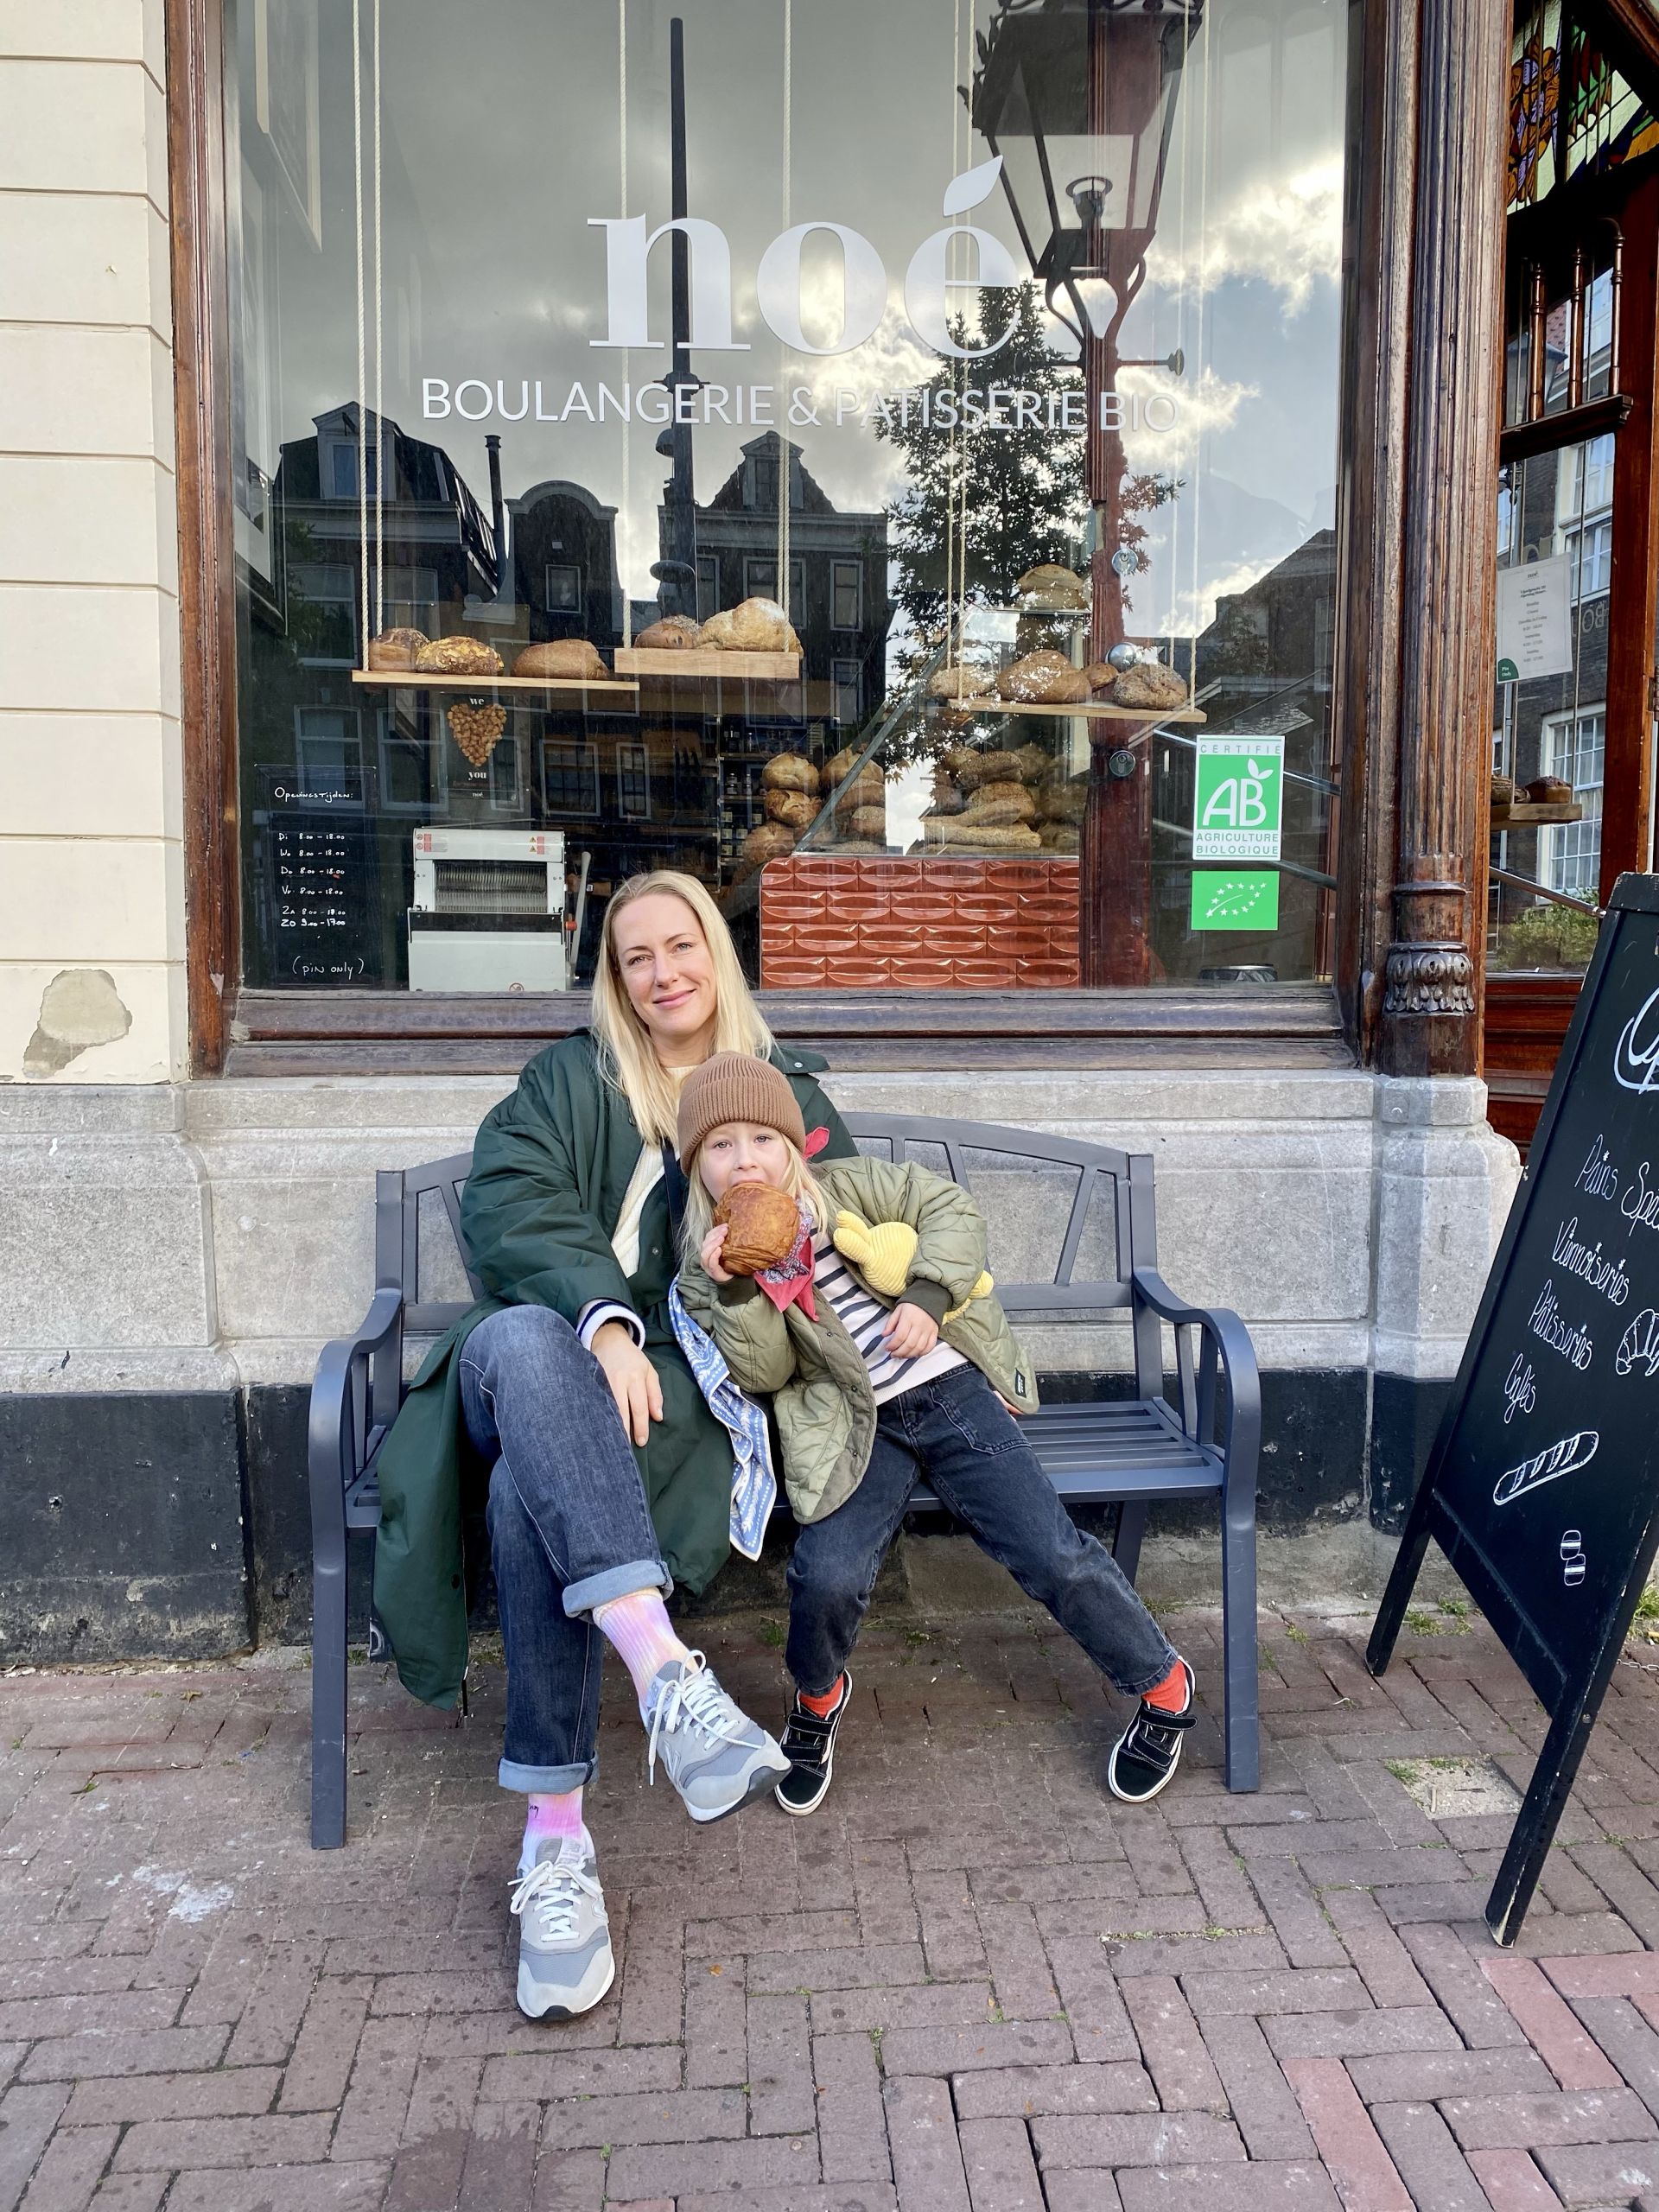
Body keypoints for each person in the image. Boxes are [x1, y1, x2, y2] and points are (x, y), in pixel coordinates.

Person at [371, 874, 859, 2022]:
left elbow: (831, 1241)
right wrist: (604, 1321)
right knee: (532, 1343)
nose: (661, 973)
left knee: (525, 1499)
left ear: (716, 952)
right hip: (528, 1356)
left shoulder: (783, 1091)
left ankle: (555, 1844)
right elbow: (512, 1206)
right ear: (614, 977)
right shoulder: (568, 1079)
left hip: (682, 1388)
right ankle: (667, 1676)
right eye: (635, 957)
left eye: (680, 945)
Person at [674, 1052, 1198, 1820]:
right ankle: (816, 1700)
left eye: (762, 1139)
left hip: (948, 1389)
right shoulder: (707, 1273)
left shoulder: (851, 1186)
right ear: (697, 1167)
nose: (745, 1160)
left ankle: (1164, 1684)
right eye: (721, 1145)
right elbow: (767, 1372)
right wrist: (738, 1289)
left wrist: (926, 1295)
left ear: (790, 1146)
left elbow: (953, 1212)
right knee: (825, 1576)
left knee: (1049, 1550)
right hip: (852, 1428)